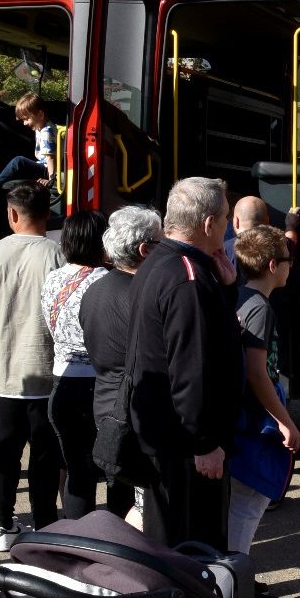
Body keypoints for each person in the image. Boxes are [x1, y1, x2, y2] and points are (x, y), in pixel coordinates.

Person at [128, 178, 242, 549]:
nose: (229, 226)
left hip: (168, 433)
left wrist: (225, 289)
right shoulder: (187, 279)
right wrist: (205, 442)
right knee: (195, 544)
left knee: (171, 535)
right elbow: (192, 369)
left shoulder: (161, 262)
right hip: (186, 443)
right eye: (226, 217)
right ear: (209, 224)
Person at [0, 182, 66, 551]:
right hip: (47, 368)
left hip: (6, 371)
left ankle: (2, 524)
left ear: (11, 214)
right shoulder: (58, 254)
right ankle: (44, 523)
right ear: (48, 214)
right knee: (45, 453)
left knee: (5, 450)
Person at [231, 224, 300, 598]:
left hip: (247, 417)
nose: (291, 268)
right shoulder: (259, 308)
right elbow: (258, 373)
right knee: (249, 504)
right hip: (256, 420)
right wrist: (286, 420)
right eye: (288, 261)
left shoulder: (243, 299)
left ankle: (237, 577)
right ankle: (236, 584)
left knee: (243, 504)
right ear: (273, 265)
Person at [81, 206, 164, 523]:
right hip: (137, 407)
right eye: (161, 242)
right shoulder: (145, 296)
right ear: (145, 249)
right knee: (145, 502)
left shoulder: (93, 290)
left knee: (119, 493)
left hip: (105, 403)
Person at [42, 210, 127, 519]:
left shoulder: (53, 279)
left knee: (78, 473)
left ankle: (79, 543)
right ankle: (118, 544)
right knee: (116, 470)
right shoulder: (107, 281)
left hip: (62, 383)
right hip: (101, 384)